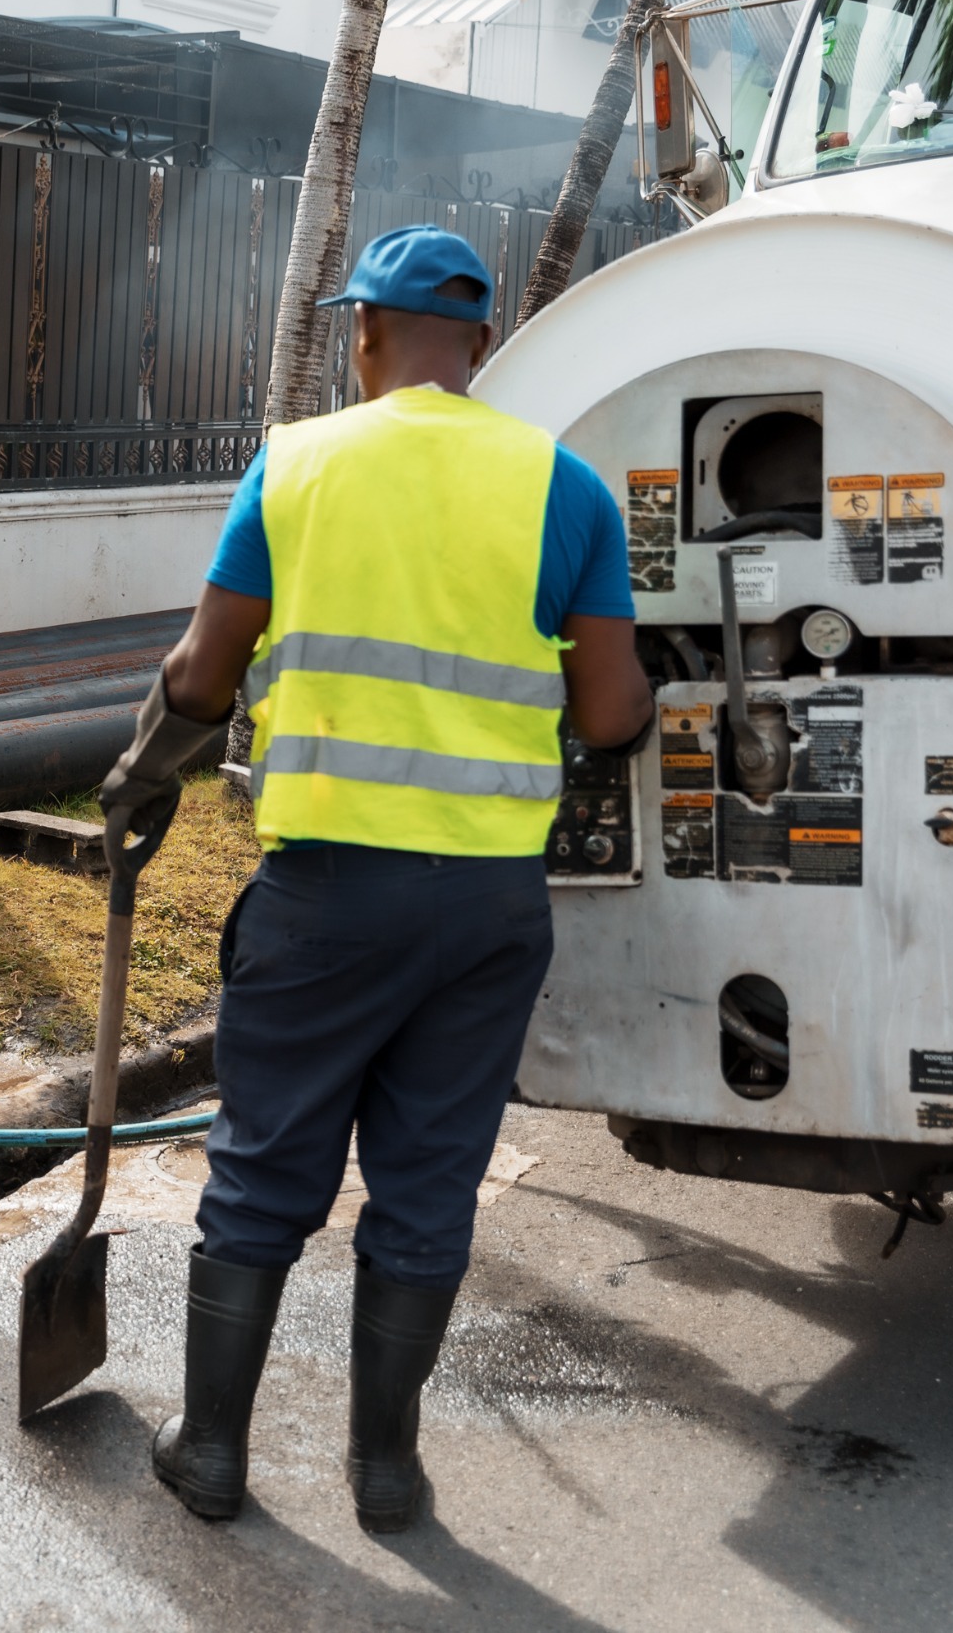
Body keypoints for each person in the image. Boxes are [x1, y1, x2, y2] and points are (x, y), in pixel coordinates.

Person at [99, 225, 653, 1531]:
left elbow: (203, 669)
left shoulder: (296, 464)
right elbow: (617, 707)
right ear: (480, 342)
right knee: (428, 1177)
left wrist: (149, 763)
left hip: (327, 896)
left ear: (362, 336)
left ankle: (216, 1448)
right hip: (486, 910)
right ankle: (389, 1468)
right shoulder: (566, 488)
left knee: (266, 1166)